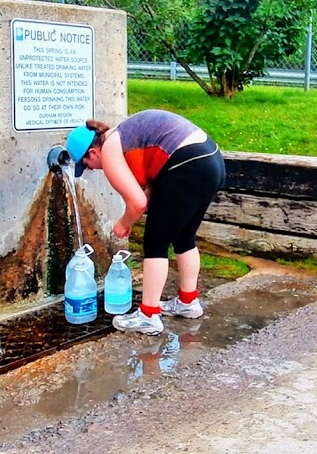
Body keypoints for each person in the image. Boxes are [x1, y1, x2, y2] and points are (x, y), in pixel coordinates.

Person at [64, 109, 226, 335]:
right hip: (211, 161)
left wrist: (123, 224)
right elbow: (150, 188)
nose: (92, 169)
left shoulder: (110, 149)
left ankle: (148, 316)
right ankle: (188, 302)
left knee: (155, 244)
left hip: (187, 165)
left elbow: (138, 203)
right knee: (183, 237)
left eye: (87, 165)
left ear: (93, 152)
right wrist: (136, 213)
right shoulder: (125, 136)